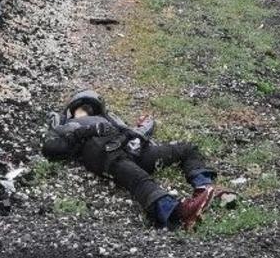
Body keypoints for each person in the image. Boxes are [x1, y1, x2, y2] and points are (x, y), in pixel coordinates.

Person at [42, 90, 228, 230]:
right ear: (72, 110)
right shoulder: (67, 127)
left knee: (187, 149)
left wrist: (141, 128)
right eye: (82, 110)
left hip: (133, 150)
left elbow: (136, 132)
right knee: (139, 180)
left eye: (89, 109)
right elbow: (50, 149)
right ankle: (178, 212)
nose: (86, 112)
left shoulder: (111, 122)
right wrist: (89, 131)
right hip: (106, 154)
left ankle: (204, 187)